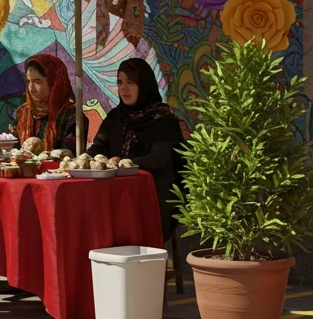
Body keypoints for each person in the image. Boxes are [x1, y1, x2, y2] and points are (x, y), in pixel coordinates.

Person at [90, 58, 186, 240]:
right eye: (120, 82)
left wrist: (125, 163)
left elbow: (158, 159)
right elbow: (99, 146)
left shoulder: (163, 119)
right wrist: (85, 160)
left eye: (131, 82)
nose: (124, 88)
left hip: (153, 192)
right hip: (117, 191)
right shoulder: (115, 117)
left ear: (144, 84)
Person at [14, 54, 77, 153]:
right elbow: (14, 151)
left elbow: (70, 154)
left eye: (37, 82)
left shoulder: (71, 115)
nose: (31, 88)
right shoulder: (21, 113)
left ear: (53, 83)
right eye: (28, 81)